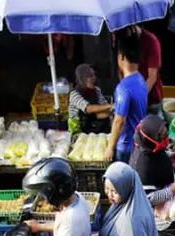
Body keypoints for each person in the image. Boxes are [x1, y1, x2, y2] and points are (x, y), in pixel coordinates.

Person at [105, 35, 148, 164]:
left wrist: (110, 148)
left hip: (125, 146)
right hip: (138, 142)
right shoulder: (140, 79)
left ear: (121, 57)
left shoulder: (123, 88)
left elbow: (119, 121)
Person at [118, 25, 164, 113]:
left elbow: (152, 77)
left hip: (150, 100)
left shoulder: (151, 41)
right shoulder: (123, 39)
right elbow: (120, 70)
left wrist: (137, 99)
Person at [67, 64, 113, 134]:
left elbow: (100, 112)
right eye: (90, 76)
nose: (94, 78)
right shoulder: (74, 94)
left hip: (93, 129)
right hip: (78, 132)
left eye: (94, 75)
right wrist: (110, 106)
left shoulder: (97, 90)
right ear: (82, 78)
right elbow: (88, 109)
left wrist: (114, 111)